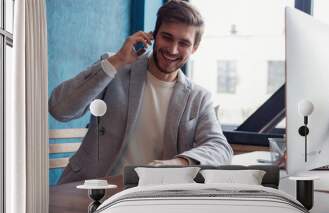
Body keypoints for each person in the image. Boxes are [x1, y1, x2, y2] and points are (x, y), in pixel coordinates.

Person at [49, 0, 233, 184]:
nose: (173, 49)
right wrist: (117, 60)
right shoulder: (115, 68)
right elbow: (60, 109)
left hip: (148, 199)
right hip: (91, 190)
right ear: (153, 36)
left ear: (194, 48)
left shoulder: (199, 98)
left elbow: (220, 148)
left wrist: (178, 163)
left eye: (184, 43)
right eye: (167, 37)